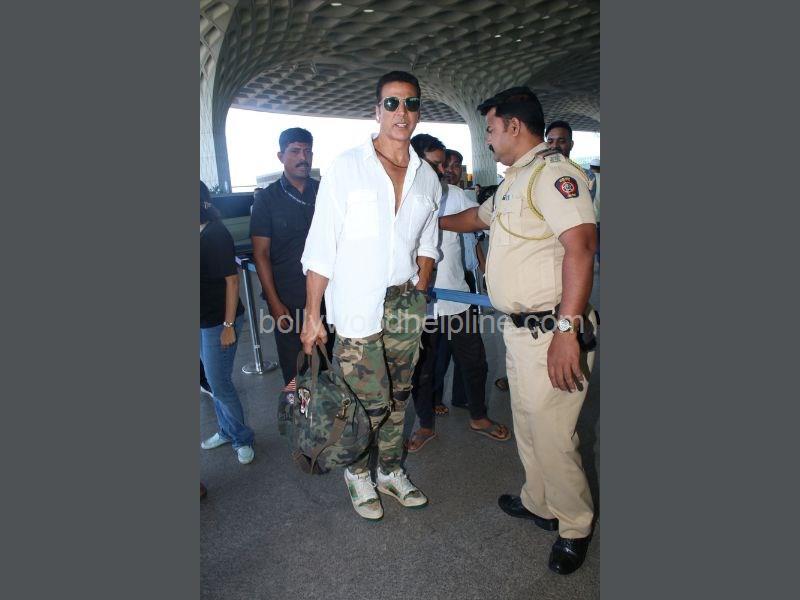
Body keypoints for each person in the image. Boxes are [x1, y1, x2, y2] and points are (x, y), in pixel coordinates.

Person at [439, 87, 598, 575]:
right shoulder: (514, 181)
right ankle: (540, 503)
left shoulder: (554, 175)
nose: (487, 138)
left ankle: (575, 526)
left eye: (490, 129)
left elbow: (581, 246)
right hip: (519, 331)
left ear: (513, 125)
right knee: (528, 425)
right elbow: (476, 217)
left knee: (554, 435)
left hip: (552, 329)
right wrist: (428, 222)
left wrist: (567, 332)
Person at [300, 71, 440, 520]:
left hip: (405, 304)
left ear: (418, 112)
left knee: (400, 395)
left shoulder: (427, 178)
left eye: (411, 103)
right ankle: (357, 472)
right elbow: (321, 246)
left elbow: (428, 239)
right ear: (377, 111)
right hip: (357, 307)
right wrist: (312, 314)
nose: (402, 112)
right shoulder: (347, 167)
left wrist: (421, 282)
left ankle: (390, 470)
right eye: (392, 103)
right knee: (363, 401)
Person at [406, 134, 509, 453]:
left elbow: (486, 227)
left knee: (474, 362)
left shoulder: (457, 196)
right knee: (422, 370)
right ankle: (425, 424)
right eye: (434, 164)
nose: (442, 171)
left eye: (443, 164)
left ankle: (478, 416)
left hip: (458, 299)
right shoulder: (399, 199)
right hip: (419, 306)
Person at [250, 128, 334, 386]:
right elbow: (261, 254)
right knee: (295, 371)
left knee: (328, 365)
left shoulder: (326, 192)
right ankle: (298, 411)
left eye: (307, 151)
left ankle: (325, 411)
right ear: (281, 156)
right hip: (288, 300)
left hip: (328, 297)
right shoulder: (267, 199)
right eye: (295, 151)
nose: (303, 157)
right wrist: (274, 303)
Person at [199, 181, 255, 465]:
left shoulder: (215, 234)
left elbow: (232, 282)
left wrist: (228, 326)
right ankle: (226, 430)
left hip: (218, 323)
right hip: (202, 322)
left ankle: (242, 438)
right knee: (212, 380)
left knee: (219, 383)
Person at [545, 120, 596, 199]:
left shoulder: (587, 176)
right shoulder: (539, 173)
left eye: (561, 141)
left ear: (571, 145)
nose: (555, 146)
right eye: (550, 141)